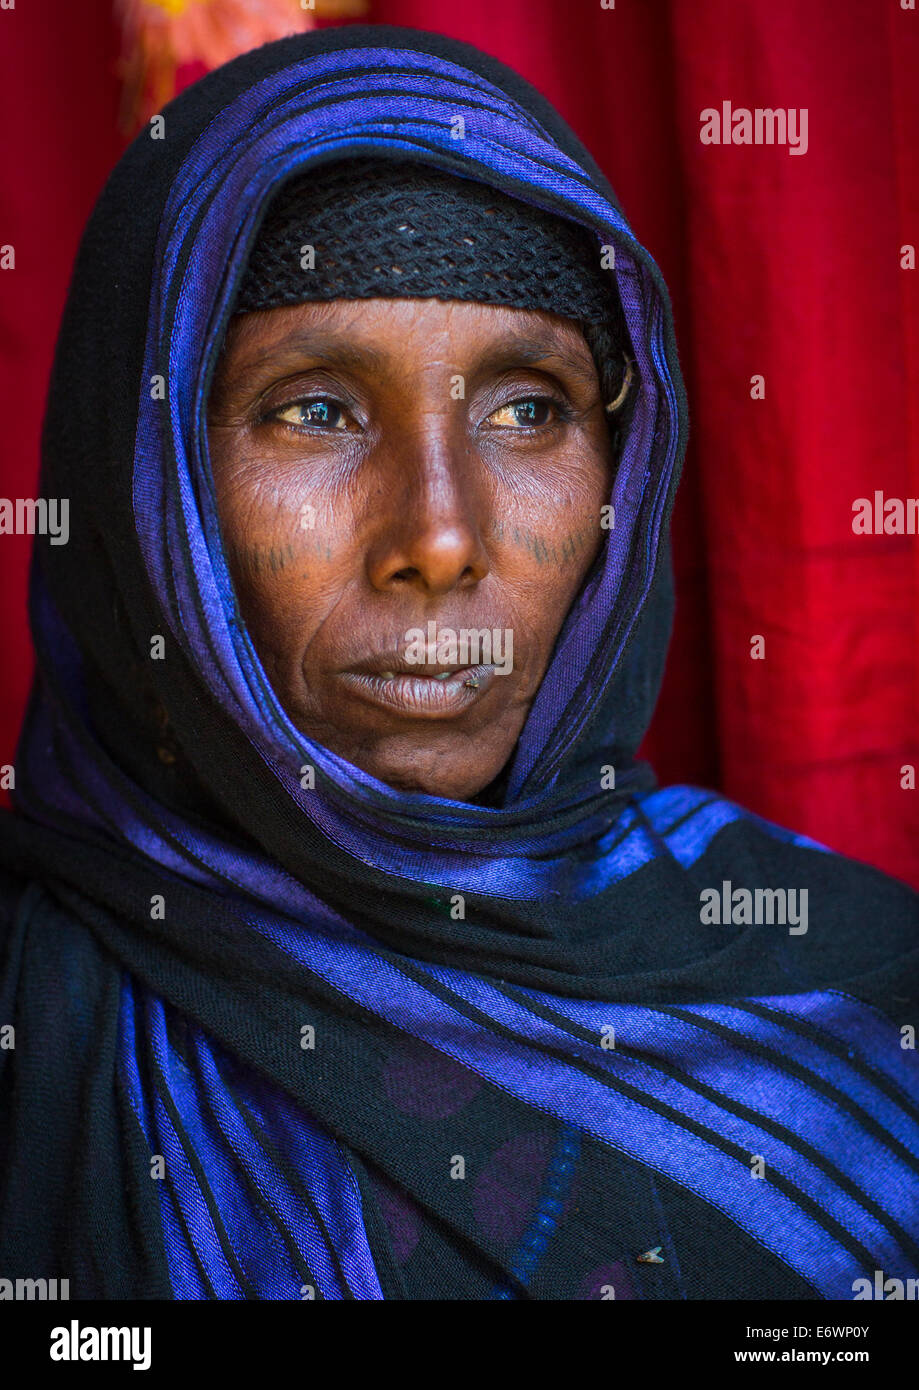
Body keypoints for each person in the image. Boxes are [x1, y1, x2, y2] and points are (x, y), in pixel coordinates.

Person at [0, 24, 916, 1302]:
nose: (438, 537)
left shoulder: (853, 985)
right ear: (141, 487)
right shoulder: (35, 1030)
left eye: (528, 407)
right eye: (314, 406)